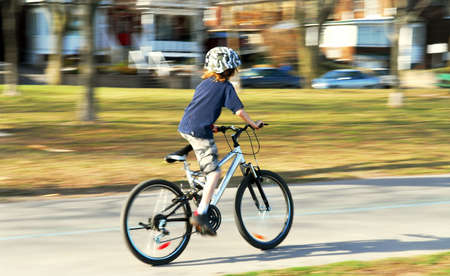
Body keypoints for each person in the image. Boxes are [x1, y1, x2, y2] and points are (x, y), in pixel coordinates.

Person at [171, 47, 263, 236]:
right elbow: (238, 111)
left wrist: (213, 126)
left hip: (186, 127)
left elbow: (201, 107)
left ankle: (199, 190)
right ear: (229, 69)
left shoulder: (204, 83)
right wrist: (253, 124)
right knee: (214, 173)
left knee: (208, 167)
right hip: (199, 132)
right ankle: (201, 214)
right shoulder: (226, 87)